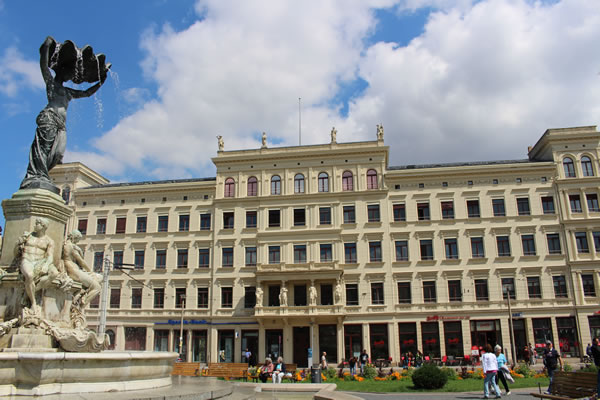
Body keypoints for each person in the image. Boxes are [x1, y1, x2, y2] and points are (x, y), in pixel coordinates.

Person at [21, 37, 108, 191]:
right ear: (61, 72)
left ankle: (42, 174)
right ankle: (36, 175)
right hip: (49, 117)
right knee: (44, 147)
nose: (69, 76)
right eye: (67, 73)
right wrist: (47, 48)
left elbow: (87, 93)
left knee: (58, 153)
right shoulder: (51, 84)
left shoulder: (68, 92)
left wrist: (101, 82)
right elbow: (43, 67)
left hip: (61, 124)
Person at [14, 217, 70, 311]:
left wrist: (46, 265)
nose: (34, 225)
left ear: (43, 226)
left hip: (41, 261)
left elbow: (50, 256)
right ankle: (33, 302)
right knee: (29, 275)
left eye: (37, 224)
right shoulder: (28, 236)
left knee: (55, 274)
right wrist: (17, 244)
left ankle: (28, 293)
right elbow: (16, 253)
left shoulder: (49, 241)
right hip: (27, 260)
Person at [61, 230, 102, 308]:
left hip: (74, 269)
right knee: (97, 287)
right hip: (73, 270)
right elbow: (81, 261)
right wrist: (90, 271)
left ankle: (81, 293)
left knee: (99, 277)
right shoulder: (70, 246)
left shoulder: (67, 245)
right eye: (77, 240)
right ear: (74, 238)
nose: (77, 242)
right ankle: (79, 306)